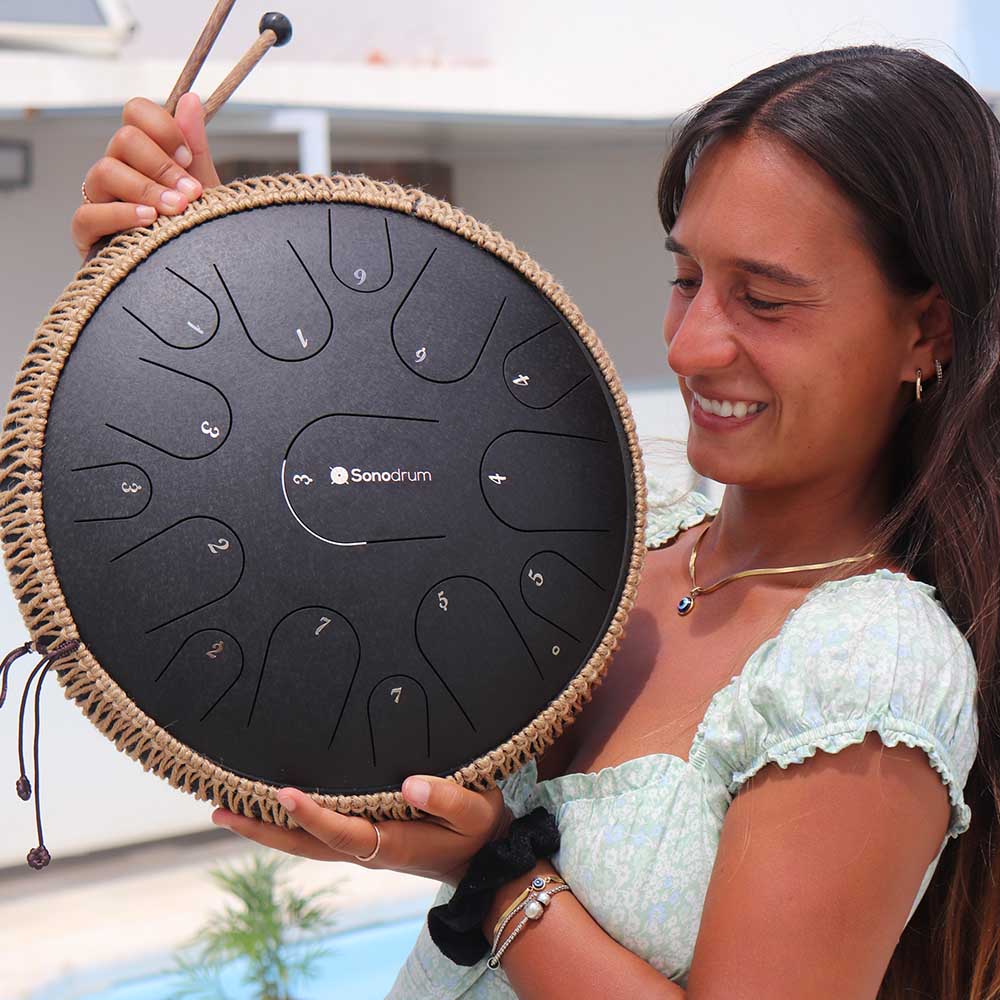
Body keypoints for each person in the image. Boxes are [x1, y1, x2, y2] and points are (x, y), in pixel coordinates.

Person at [71, 42, 1000, 999]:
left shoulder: (872, 665)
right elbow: (323, 493)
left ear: (925, 330)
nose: (690, 346)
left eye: (764, 300)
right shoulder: (618, 538)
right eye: (687, 279)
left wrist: (497, 875)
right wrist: (188, 268)